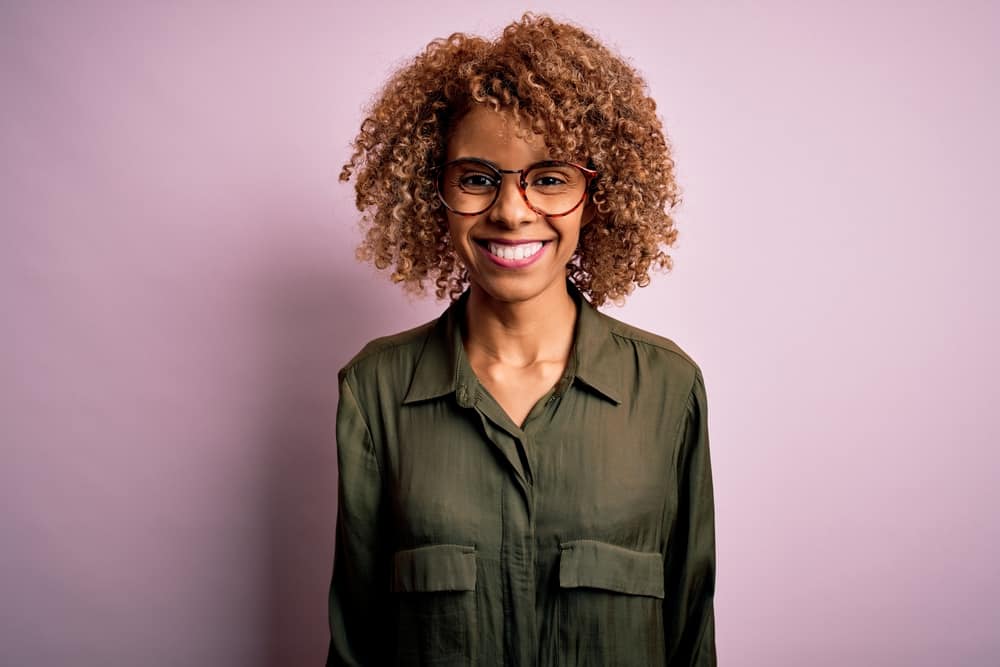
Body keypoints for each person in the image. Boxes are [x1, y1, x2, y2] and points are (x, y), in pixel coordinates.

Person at [327, 13, 716, 666]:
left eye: (549, 177)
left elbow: (691, 637)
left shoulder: (669, 389)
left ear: (598, 194)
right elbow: (356, 646)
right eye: (478, 178)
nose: (511, 211)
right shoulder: (376, 391)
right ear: (434, 191)